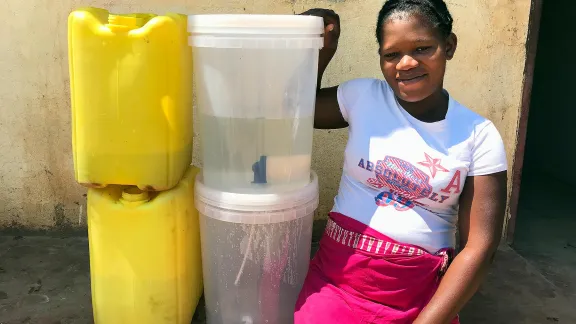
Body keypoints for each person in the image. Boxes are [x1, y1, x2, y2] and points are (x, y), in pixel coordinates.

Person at [295, 1, 508, 323]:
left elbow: (479, 248)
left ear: (448, 46)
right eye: (391, 54)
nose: (406, 63)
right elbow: (295, 109)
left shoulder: (478, 135)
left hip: (417, 295)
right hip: (337, 279)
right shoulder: (363, 96)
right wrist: (320, 49)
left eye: (423, 48)